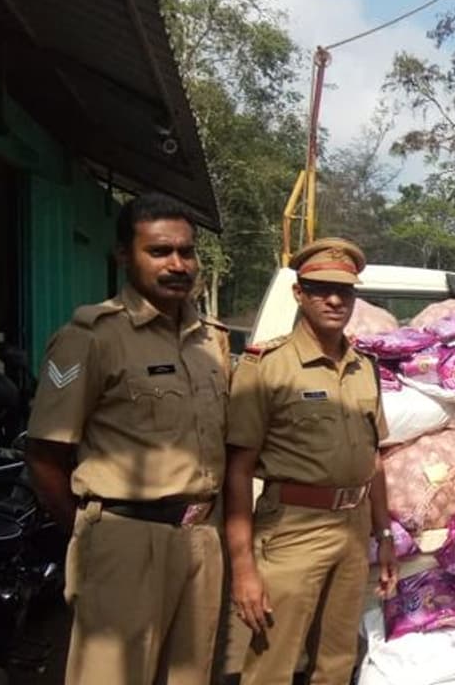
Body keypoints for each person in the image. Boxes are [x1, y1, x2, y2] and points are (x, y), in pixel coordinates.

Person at [25, 193, 231, 685]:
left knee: (190, 676)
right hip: (124, 538)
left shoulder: (212, 341)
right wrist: (90, 531)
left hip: (201, 539)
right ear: (123, 255)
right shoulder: (91, 337)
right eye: (159, 252)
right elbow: (44, 454)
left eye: (186, 251)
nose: (177, 264)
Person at [223, 237, 396, 685]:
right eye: (321, 288)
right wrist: (243, 567)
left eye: (345, 290)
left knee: (337, 662)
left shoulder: (364, 366)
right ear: (299, 293)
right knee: (273, 663)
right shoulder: (266, 366)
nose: (335, 299)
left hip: (352, 530)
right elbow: (238, 470)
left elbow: (373, 457)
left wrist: (384, 533)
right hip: (291, 530)